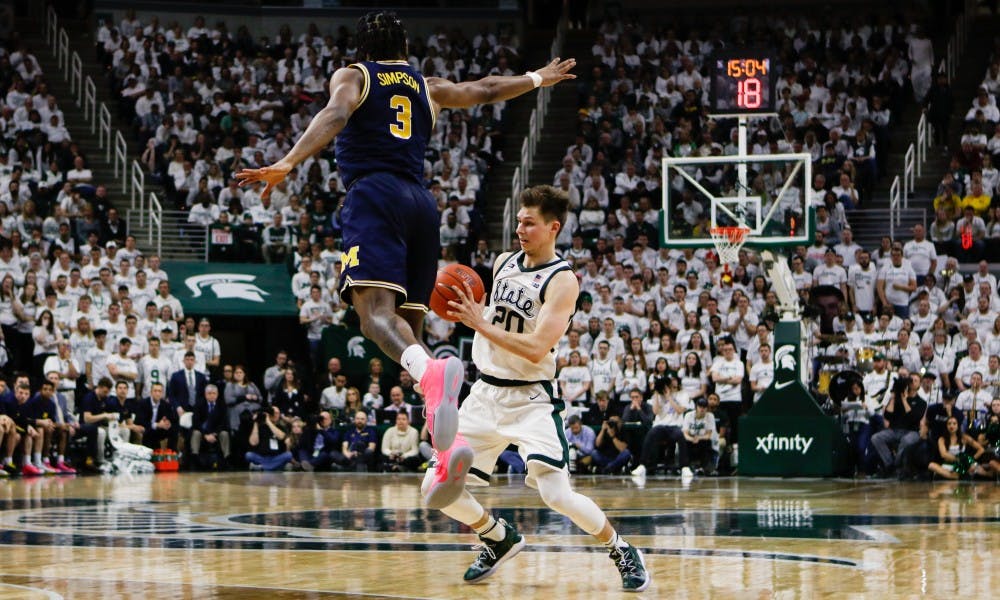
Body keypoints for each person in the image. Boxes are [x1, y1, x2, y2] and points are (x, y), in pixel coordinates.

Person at [235, 12, 576, 466]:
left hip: (374, 195)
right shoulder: (426, 85)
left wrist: (290, 160)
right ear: (405, 49)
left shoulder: (354, 75)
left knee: (372, 317)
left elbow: (335, 113)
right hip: (421, 203)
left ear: (364, 50)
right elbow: (487, 89)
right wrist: (537, 77)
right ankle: (445, 439)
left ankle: (435, 378)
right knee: (408, 337)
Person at [433, 185, 649, 591]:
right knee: (437, 488)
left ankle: (621, 548)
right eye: (518, 220)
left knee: (556, 494)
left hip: (530, 398)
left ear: (553, 228)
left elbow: (535, 348)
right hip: (484, 395)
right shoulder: (503, 262)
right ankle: (497, 537)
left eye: (529, 223)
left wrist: (479, 323)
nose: (520, 228)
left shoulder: (563, 281)